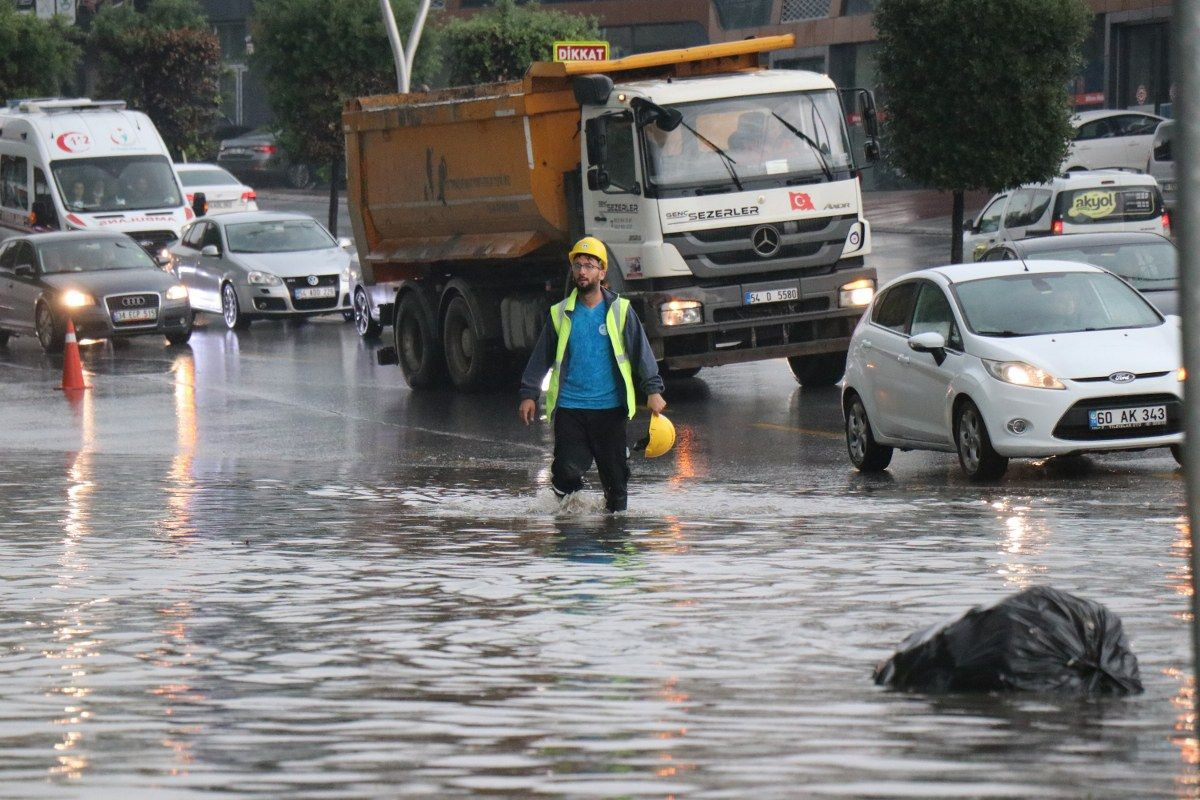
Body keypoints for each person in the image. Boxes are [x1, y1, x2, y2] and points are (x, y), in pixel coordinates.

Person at [519, 237, 666, 513]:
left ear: (602, 272)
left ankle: (616, 539)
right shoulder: (560, 313)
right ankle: (570, 523)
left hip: (610, 410)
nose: (582, 271)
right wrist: (528, 393)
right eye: (578, 265)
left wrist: (653, 390)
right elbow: (541, 356)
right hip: (571, 409)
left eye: (589, 265)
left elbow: (640, 353)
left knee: (617, 488)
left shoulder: (621, 311)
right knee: (566, 471)